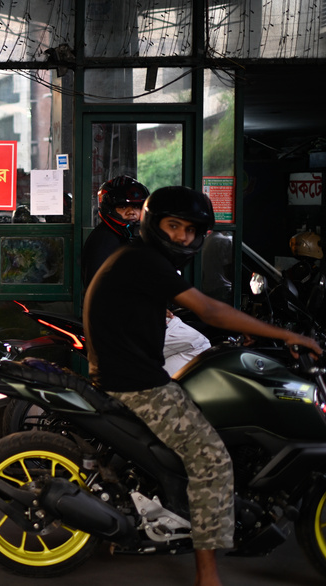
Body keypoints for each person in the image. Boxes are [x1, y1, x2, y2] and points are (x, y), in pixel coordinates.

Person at [85, 186, 322, 586]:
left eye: (190, 230)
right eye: (173, 226)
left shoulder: (142, 260)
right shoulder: (145, 260)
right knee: (212, 459)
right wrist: (285, 336)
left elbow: (196, 313)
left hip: (129, 373)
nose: (181, 236)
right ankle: (207, 573)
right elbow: (209, 309)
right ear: (152, 223)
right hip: (136, 383)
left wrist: (246, 332)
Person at [84, 175, 210, 374]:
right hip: (124, 322)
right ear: (109, 209)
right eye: (123, 208)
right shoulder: (105, 242)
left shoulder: (123, 239)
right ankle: (155, 385)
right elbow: (106, 292)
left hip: (128, 318)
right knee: (198, 344)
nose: (132, 213)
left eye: (136, 207)